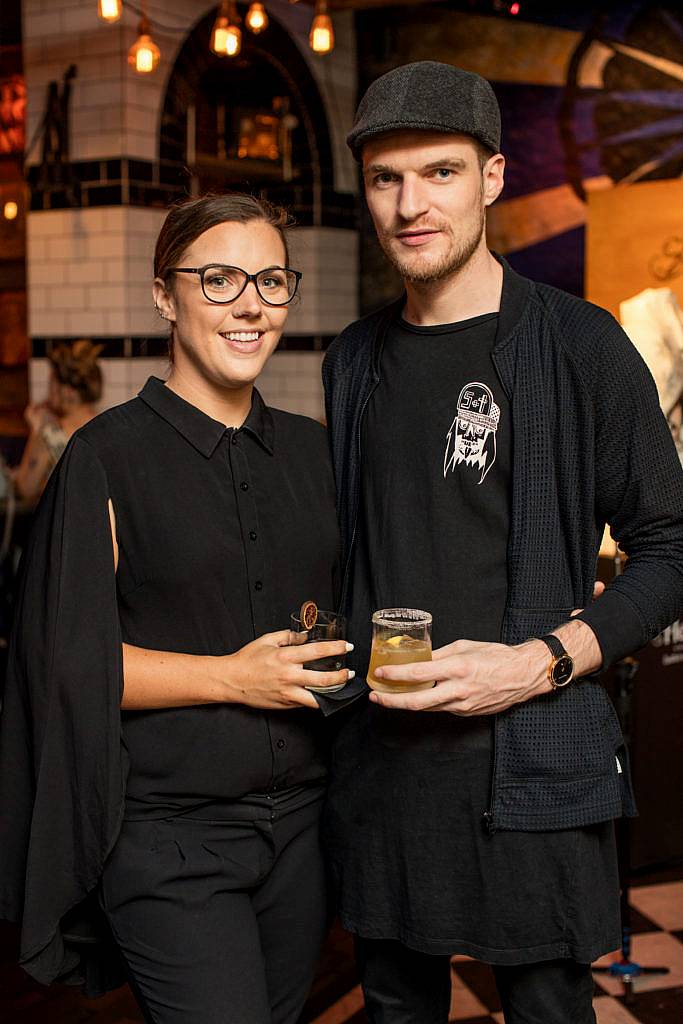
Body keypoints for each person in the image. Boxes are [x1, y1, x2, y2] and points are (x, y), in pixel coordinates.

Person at [321, 62, 683, 1024]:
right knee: (395, 1009)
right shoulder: (350, 361)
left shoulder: (580, 345)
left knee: (547, 1011)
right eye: (386, 179)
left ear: (491, 177)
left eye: (438, 173)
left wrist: (536, 664)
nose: (410, 205)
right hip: (385, 766)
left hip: (533, 761)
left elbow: (670, 547)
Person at [0, 193, 356, 1024]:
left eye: (271, 281)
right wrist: (235, 679)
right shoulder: (106, 458)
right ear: (165, 295)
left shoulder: (312, 450)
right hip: (170, 842)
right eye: (219, 278)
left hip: (303, 829)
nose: (250, 304)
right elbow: (64, 661)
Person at [12, 338, 102, 503]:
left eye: (52, 382)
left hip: (66, 527)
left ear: (67, 391)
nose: (48, 390)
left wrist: (36, 430)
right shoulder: (106, 426)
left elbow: (25, 488)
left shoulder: (51, 434)